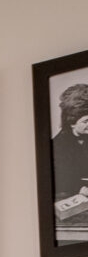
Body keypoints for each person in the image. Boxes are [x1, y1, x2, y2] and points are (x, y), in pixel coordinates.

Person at [51, 82, 88, 240]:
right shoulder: (57, 146)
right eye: (86, 121)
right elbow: (60, 182)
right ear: (72, 122)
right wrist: (81, 188)